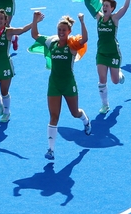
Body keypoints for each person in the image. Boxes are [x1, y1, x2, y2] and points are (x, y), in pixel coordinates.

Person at [30, 12, 92, 161]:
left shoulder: (72, 46)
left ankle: (85, 120)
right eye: (59, 30)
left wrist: (82, 22)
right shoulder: (52, 42)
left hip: (69, 84)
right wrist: (35, 19)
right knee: (54, 116)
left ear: (69, 31)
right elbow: (35, 35)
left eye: (64, 30)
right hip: (54, 85)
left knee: (74, 113)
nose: (61, 32)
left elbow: (85, 39)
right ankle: (50, 150)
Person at [95, 0, 131, 114]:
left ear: (112, 8)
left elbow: (125, 7)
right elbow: (89, 5)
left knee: (115, 81)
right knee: (102, 79)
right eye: (103, 5)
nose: (104, 8)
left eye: (107, 6)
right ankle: (105, 105)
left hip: (113, 53)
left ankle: (120, 74)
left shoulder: (115, 18)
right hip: (101, 53)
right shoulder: (99, 17)